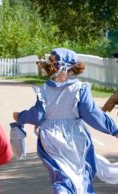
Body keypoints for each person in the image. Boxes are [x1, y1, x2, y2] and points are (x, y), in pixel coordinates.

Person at [13, 48, 118, 194]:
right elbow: (93, 115)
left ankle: (62, 191)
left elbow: (37, 115)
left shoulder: (45, 90)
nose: (52, 67)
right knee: (82, 172)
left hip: (50, 138)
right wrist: (114, 130)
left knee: (61, 175)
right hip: (75, 137)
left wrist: (21, 116)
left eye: (54, 64)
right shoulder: (79, 89)